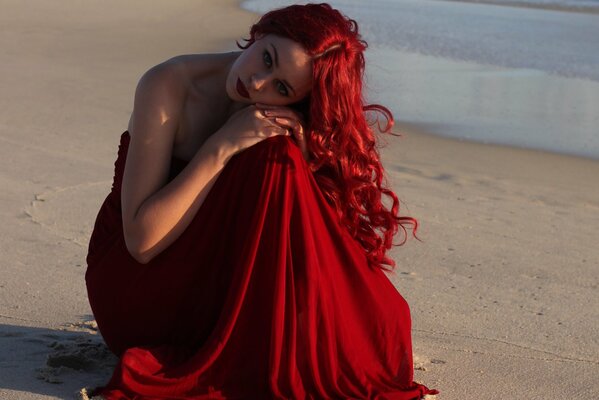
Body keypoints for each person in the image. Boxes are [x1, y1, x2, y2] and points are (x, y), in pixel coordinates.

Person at [85, 3, 438, 399]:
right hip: (135, 287)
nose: (257, 84)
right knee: (271, 154)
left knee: (280, 159)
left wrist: (305, 161)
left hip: (214, 287)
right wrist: (219, 148)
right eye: (267, 58)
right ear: (261, 31)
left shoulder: (278, 121)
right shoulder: (169, 83)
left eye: (282, 88)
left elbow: (306, 242)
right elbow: (141, 243)